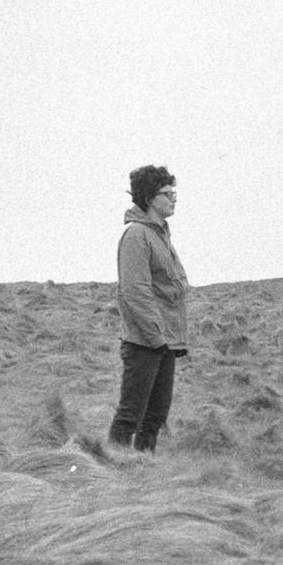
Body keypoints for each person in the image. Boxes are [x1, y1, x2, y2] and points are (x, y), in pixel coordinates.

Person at [109, 165, 190, 452]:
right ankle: (111, 470)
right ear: (149, 198)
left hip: (164, 340)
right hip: (145, 341)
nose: (173, 198)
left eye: (174, 192)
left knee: (155, 416)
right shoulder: (137, 236)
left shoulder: (160, 235)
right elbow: (135, 292)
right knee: (130, 415)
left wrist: (171, 340)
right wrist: (156, 338)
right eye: (166, 193)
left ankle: (143, 470)